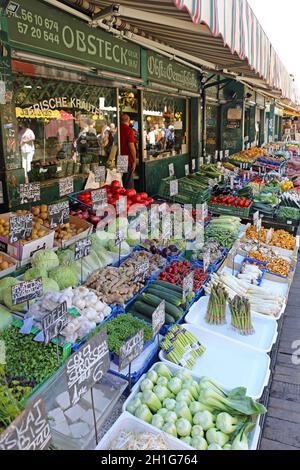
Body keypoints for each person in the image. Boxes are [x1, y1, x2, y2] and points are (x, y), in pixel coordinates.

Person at [120, 114, 137, 189]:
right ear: (128, 121)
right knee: (128, 185)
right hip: (126, 160)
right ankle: (128, 199)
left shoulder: (118, 129)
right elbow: (131, 147)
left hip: (120, 158)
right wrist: (134, 160)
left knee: (121, 182)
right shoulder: (129, 130)